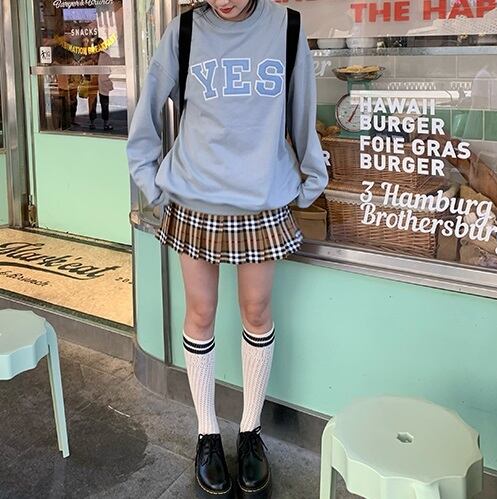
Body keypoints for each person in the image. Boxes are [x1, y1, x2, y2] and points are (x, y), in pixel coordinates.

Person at [127, 0, 328, 497]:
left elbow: (302, 111)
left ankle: (251, 431)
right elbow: (147, 110)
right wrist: (150, 182)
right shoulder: (184, 31)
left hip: (261, 196)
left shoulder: (286, 27)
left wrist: (310, 180)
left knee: (257, 312)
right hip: (195, 195)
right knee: (200, 314)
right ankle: (208, 434)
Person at [87, 37, 114, 131]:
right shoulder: (91, 56)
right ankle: (92, 122)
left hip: (102, 81)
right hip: (93, 81)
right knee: (92, 103)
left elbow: (110, 69)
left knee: (104, 103)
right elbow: (85, 65)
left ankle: (105, 123)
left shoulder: (105, 56)